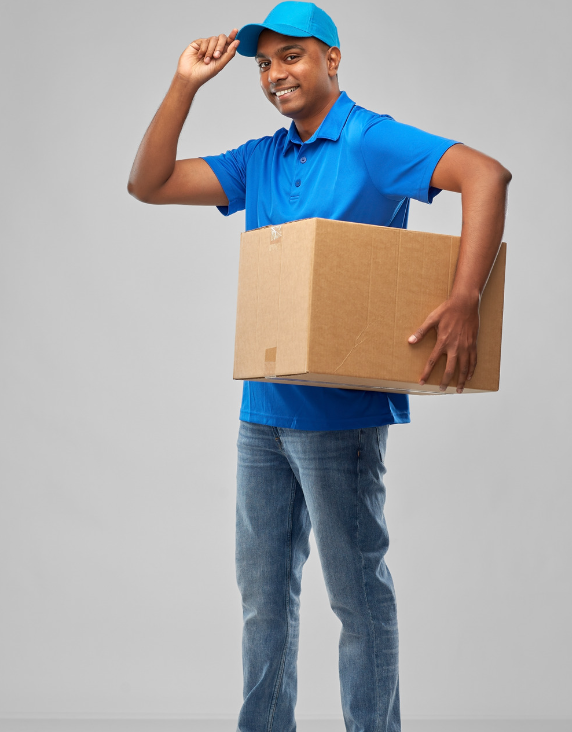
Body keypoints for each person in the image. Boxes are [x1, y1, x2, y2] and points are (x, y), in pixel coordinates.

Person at [127, 2, 511, 730]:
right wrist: (185, 84)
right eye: (265, 63)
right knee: (264, 600)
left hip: (340, 420)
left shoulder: (371, 141)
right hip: (262, 415)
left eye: (293, 56)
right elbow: (147, 183)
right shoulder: (262, 158)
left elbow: (486, 176)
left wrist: (467, 298)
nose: (276, 73)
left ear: (334, 59)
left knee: (356, 599)